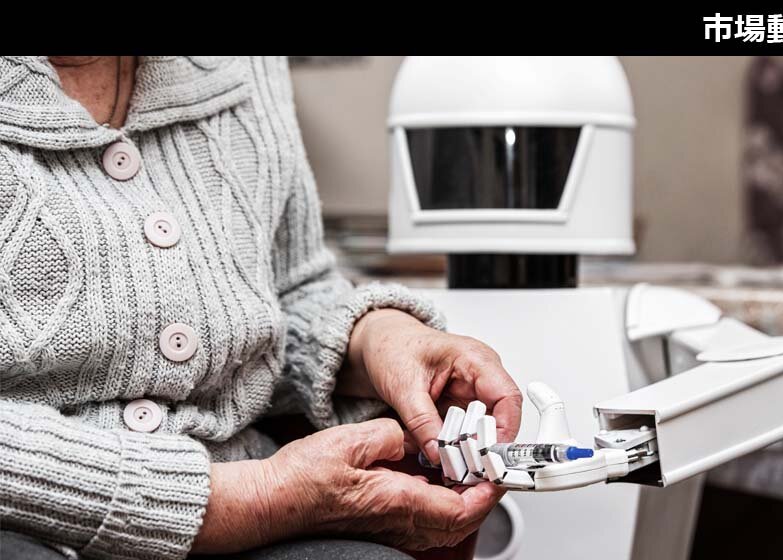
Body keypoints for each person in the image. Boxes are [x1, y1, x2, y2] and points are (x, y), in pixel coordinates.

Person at [0, 56, 523, 560]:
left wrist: (379, 339)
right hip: (28, 522)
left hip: (253, 493)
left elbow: (287, 286)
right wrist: (254, 497)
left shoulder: (246, 65)